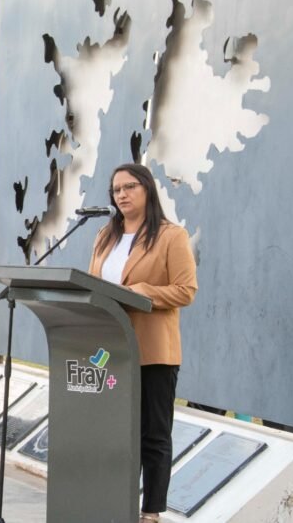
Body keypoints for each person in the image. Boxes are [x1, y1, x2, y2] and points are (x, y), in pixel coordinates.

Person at [88, 164, 197, 523]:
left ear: (147, 189)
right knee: (116, 432)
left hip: (153, 351)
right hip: (110, 350)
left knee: (153, 434)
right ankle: (115, 503)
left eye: (129, 187)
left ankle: (151, 511)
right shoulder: (105, 235)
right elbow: (93, 284)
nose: (121, 194)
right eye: (116, 189)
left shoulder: (171, 236)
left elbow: (186, 291)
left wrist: (139, 292)